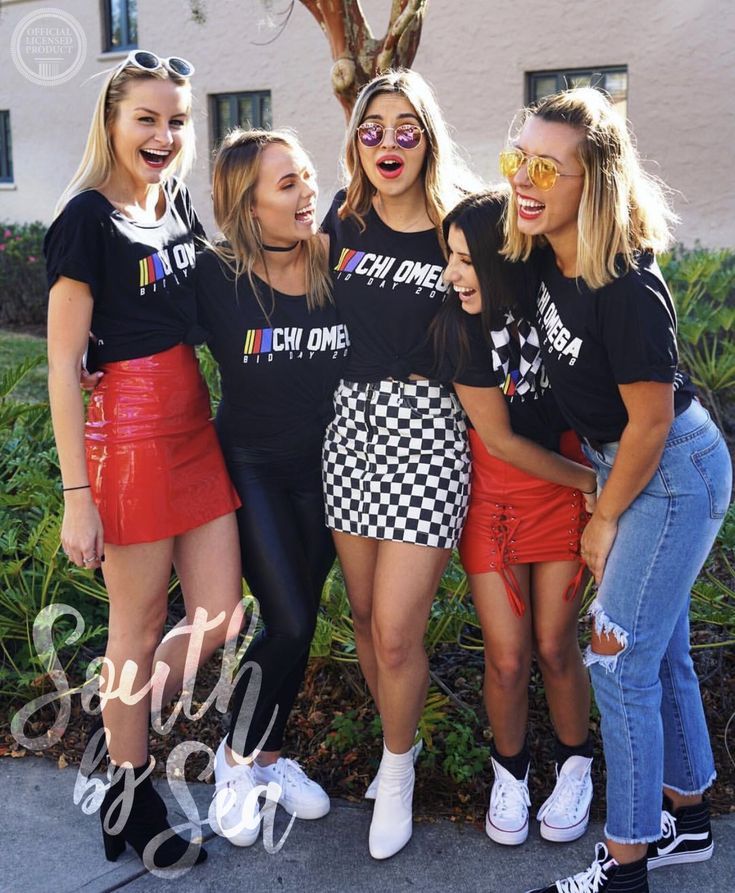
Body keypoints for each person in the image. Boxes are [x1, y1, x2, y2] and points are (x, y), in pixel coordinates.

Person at [497, 87, 732, 893]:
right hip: (632, 465)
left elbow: (650, 422)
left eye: (545, 167)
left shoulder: (624, 284)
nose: (523, 180)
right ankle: (687, 820)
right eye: (516, 158)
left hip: (666, 471)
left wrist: (601, 520)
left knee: (615, 658)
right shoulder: (544, 250)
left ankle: (625, 863)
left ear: (592, 182)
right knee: (658, 652)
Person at [44, 52, 244, 871]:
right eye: (147, 119)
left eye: (177, 121)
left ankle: (113, 730)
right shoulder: (84, 221)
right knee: (138, 622)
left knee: (221, 615)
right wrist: (75, 497)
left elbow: (204, 308)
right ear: (114, 124)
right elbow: (62, 366)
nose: (163, 135)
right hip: (126, 435)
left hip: (192, 424)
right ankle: (132, 789)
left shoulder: (176, 204)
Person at [320, 69, 476, 860]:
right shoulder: (342, 219)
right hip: (349, 428)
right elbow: (275, 295)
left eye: (403, 126)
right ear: (356, 142)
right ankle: (398, 747)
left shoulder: (459, 225)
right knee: (357, 612)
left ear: (428, 136)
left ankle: (397, 769)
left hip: (426, 433)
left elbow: (504, 319)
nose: (386, 142)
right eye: (370, 127)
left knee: (393, 631)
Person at [196, 129, 345, 845]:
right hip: (250, 465)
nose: (307, 191)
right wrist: (89, 361)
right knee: (285, 620)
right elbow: (138, 331)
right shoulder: (214, 275)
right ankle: (234, 758)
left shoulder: (335, 258)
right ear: (246, 205)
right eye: (286, 184)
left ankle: (272, 756)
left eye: (308, 176)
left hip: (326, 471)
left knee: (301, 622)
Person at [435, 189, 597, 848]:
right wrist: (596, 485)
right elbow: (499, 440)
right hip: (499, 502)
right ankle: (510, 772)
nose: (452, 274)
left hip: (558, 496)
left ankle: (574, 765)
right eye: (449, 257)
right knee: (506, 657)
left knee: (556, 646)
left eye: (466, 260)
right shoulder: (456, 327)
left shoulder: (556, 314)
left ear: (504, 262)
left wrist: (589, 490)